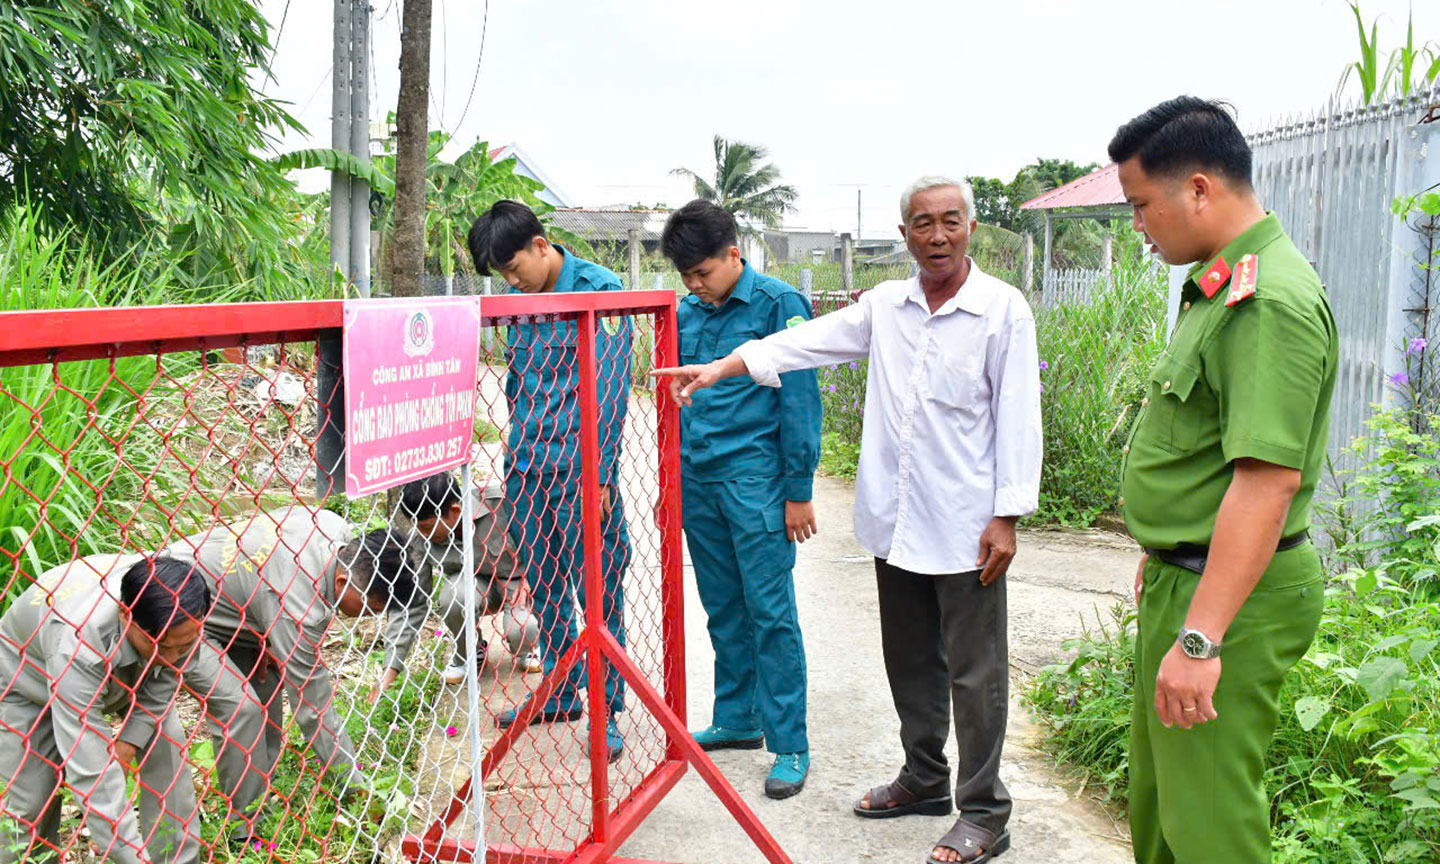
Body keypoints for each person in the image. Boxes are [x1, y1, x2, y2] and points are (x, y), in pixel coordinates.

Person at [654, 176, 1042, 863]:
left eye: (950, 221)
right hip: (896, 522)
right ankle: (924, 778)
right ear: (905, 236)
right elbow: (804, 345)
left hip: (966, 526)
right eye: (923, 223)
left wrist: (1007, 515)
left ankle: (984, 812)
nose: (938, 235)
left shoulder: (1000, 310)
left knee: (976, 676)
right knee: (910, 662)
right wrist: (722, 368)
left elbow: (1018, 418)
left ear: (971, 228)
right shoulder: (886, 305)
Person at [1109, 97, 1336, 864]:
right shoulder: (1223, 285)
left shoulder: (1266, 301)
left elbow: (1266, 485)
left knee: (1211, 829)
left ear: (1199, 188)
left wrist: (1202, 638)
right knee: (1164, 808)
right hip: (1196, 577)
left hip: (1234, 600)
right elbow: (1207, 450)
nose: (1138, 226)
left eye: (1142, 205)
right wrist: (1170, 546)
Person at [660, 200, 821, 799]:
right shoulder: (683, 312)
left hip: (756, 481)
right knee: (722, 604)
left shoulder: (781, 306)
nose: (696, 287)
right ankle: (737, 717)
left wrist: (798, 492)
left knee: (771, 612)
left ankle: (790, 743)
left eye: (703, 274)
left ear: (734, 254)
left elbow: (802, 401)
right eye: (687, 280)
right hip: (698, 478)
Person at [466, 200, 634, 763]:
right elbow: (516, 384)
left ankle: (606, 710)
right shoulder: (519, 300)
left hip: (582, 469)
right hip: (529, 467)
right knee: (548, 588)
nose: (512, 283)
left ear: (542, 245)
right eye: (504, 277)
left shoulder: (600, 289)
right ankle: (560, 690)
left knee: (599, 590)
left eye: (516, 269)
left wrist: (603, 473)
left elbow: (609, 390)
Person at [165, 505, 418, 799]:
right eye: (369, 609)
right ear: (342, 583)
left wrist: (268, 634)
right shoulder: (299, 610)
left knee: (267, 687)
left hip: (233, 601)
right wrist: (357, 790)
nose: (367, 617)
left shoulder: (329, 525)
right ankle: (245, 824)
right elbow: (313, 708)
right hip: (178, 611)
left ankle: (260, 789)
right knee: (240, 709)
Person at [0, 555, 210, 864]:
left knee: (168, 754)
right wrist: (124, 849)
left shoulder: (180, 612)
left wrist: (129, 742)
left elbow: (167, 678)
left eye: (184, 646)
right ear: (126, 615)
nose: (172, 658)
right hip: (29, 684)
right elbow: (91, 768)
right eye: (162, 647)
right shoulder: (75, 644)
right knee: (29, 801)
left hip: (129, 668)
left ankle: (176, 858)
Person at [395, 472, 542, 685]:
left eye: (426, 527)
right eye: (416, 526)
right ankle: (469, 653)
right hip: (471, 585)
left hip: (517, 581)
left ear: (455, 511)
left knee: (523, 628)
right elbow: (415, 600)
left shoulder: (501, 502)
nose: (422, 534)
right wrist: (393, 665)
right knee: (453, 597)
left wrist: (532, 575)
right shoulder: (419, 538)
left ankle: (529, 648)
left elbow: (540, 536)